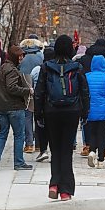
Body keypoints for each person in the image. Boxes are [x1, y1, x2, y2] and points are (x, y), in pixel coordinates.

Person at [34, 35, 90, 201]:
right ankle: (66, 190)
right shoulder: (77, 67)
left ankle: (54, 184)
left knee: (55, 149)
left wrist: (38, 114)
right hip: (72, 112)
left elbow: (39, 93)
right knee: (67, 150)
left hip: (51, 112)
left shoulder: (46, 67)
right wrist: (85, 113)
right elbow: (85, 92)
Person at [0, 45, 33, 171]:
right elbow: (12, 87)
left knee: (2, 134)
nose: (22, 58)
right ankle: (19, 162)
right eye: (20, 56)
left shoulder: (2, 68)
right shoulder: (12, 70)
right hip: (14, 107)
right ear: (14, 56)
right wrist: (27, 90)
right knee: (19, 135)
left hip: (1, 107)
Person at [85, 55, 105, 169]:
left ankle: (92, 151)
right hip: (104, 109)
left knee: (92, 131)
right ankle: (101, 158)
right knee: (102, 133)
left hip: (90, 109)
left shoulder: (86, 76)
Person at [30, 47, 55, 162]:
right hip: (53, 103)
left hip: (40, 102)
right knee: (53, 128)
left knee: (41, 127)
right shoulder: (56, 69)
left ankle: (43, 150)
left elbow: (31, 84)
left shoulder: (37, 69)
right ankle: (54, 152)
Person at [19, 36, 44, 153]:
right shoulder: (40, 56)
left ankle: (29, 144)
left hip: (25, 87)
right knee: (38, 117)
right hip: (39, 88)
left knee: (27, 117)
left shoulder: (21, 57)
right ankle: (39, 144)